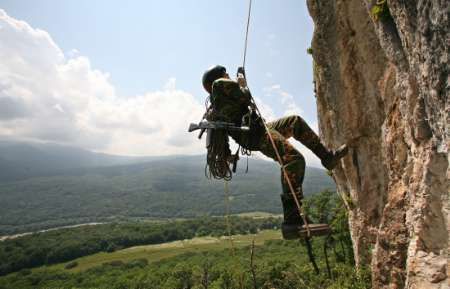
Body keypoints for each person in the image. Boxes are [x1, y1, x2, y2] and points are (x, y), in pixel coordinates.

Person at [201, 65, 348, 239]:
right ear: (218, 77)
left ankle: (327, 157)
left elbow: (223, 131)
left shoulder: (217, 102)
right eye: (225, 73)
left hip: (258, 129)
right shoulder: (219, 85)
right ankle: (292, 219)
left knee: (295, 122)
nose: (227, 75)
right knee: (294, 159)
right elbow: (245, 96)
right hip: (257, 135)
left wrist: (227, 155)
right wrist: (241, 82)